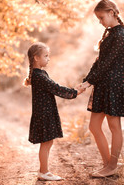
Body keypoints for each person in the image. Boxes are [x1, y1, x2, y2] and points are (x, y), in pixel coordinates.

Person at [80, 0, 124, 177]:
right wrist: (87, 79)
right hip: (104, 84)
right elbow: (99, 62)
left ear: (112, 13)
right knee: (94, 126)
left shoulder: (120, 35)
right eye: (98, 19)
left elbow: (107, 63)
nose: (100, 22)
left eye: (102, 17)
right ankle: (108, 165)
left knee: (114, 125)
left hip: (114, 85)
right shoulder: (111, 34)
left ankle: (112, 166)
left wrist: (90, 82)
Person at [23, 42, 84, 181]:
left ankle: (44, 170)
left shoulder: (41, 73)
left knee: (48, 142)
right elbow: (55, 88)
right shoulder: (38, 76)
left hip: (47, 111)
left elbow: (54, 87)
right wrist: (74, 92)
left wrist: (74, 92)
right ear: (36, 58)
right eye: (45, 56)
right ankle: (43, 172)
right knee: (46, 142)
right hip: (43, 113)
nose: (48, 58)